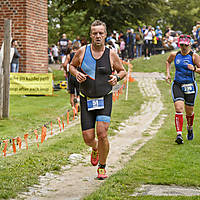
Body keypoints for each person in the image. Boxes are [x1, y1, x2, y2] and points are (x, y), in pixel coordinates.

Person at [69, 20, 126, 179]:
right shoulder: (82, 51)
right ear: (91, 35)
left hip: (104, 98)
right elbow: (72, 67)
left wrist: (116, 77)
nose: (98, 36)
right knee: (88, 138)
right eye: (95, 33)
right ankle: (95, 148)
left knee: (102, 133)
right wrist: (76, 73)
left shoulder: (111, 54)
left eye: (101, 33)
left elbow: (122, 71)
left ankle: (102, 166)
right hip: (86, 99)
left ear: (105, 35)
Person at [165, 34, 200, 144]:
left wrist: (194, 68)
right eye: (181, 45)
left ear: (189, 44)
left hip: (190, 85)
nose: (183, 47)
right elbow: (168, 61)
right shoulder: (175, 55)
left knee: (189, 112)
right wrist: (168, 74)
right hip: (177, 84)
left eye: (185, 45)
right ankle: (179, 134)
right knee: (179, 108)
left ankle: (189, 127)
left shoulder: (194, 56)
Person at [63, 41, 81, 110]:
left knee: (72, 94)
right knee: (79, 93)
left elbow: (64, 64)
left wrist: (67, 70)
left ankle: (74, 109)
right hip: (78, 75)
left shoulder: (69, 56)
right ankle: (78, 101)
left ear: (72, 47)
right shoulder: (80, 55)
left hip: (71, 75)